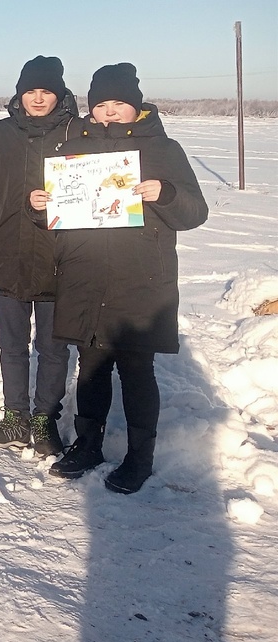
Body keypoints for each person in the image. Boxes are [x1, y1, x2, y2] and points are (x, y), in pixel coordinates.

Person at [32, 63, 208, 493]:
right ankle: (88, 445)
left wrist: (163, 193)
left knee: (135, 370)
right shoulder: (72, 149)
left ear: (136, 106)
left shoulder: (164, 149)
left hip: (140, 279)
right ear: (92, 108)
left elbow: (195, 212)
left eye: (119, 104)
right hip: (86, 274)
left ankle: (139, 457)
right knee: (90, 366)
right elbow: (56, 215)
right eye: (102, 104)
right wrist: (41, 206)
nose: (110, 113)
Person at [0, 56, 79, 458]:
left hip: (60, 260)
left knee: (53, 348)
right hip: (8, 257)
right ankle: (15, 417)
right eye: (30, 91)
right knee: (12, 344)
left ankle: (44, 419)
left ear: (59, 94)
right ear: (19, 94)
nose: (37, 98)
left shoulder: (78, 133)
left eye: (45, 91)